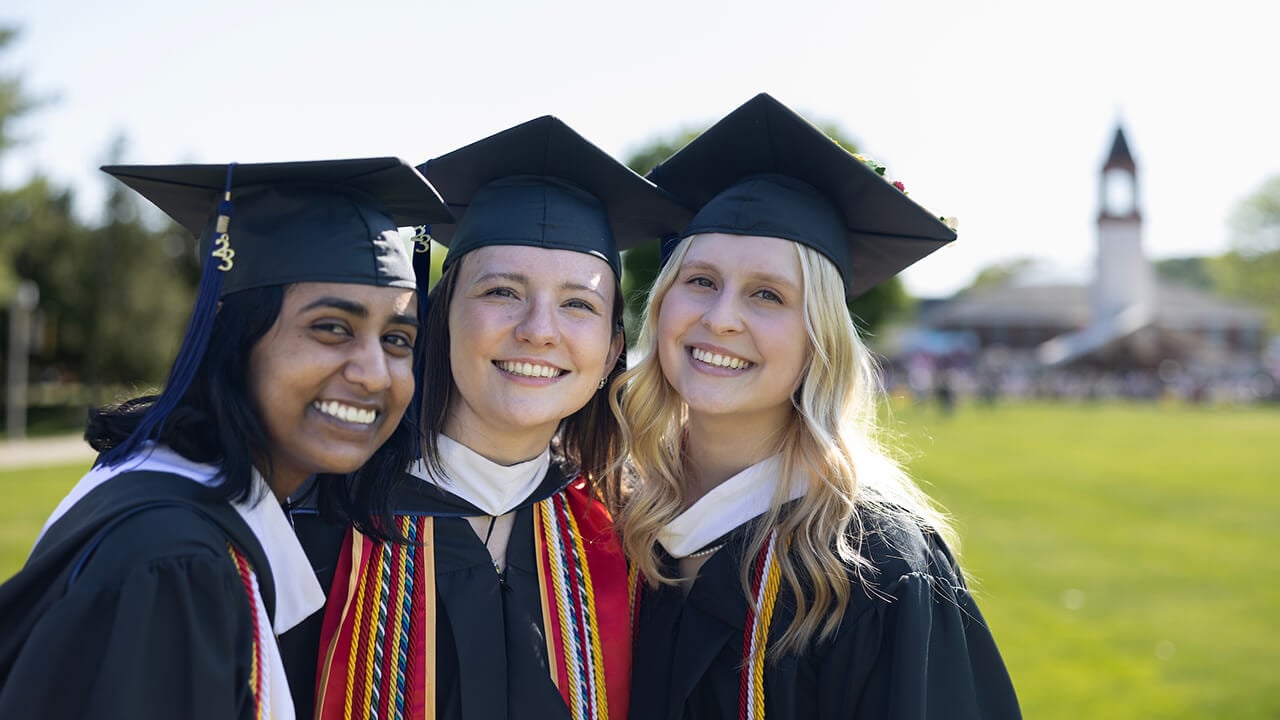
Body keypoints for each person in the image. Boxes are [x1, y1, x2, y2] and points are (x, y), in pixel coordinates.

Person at [614, 94, 1022, 719]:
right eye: (700, 281)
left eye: (768, 295)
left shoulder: (876, 567)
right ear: (663, 303)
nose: (720, 319)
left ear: (820, 338)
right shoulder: (609, 522)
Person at [0, 157, 452, 720]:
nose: (374, 372)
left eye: (397, 339)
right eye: (332, 328)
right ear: (231, 335)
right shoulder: (176, 566)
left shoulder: (164, 494)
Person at [281, 116, 690, 720]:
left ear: (609, 352)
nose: (538, 330)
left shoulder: (633, 541)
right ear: (439, 318)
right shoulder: (314, 518)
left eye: (578, 304)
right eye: (502, 291)